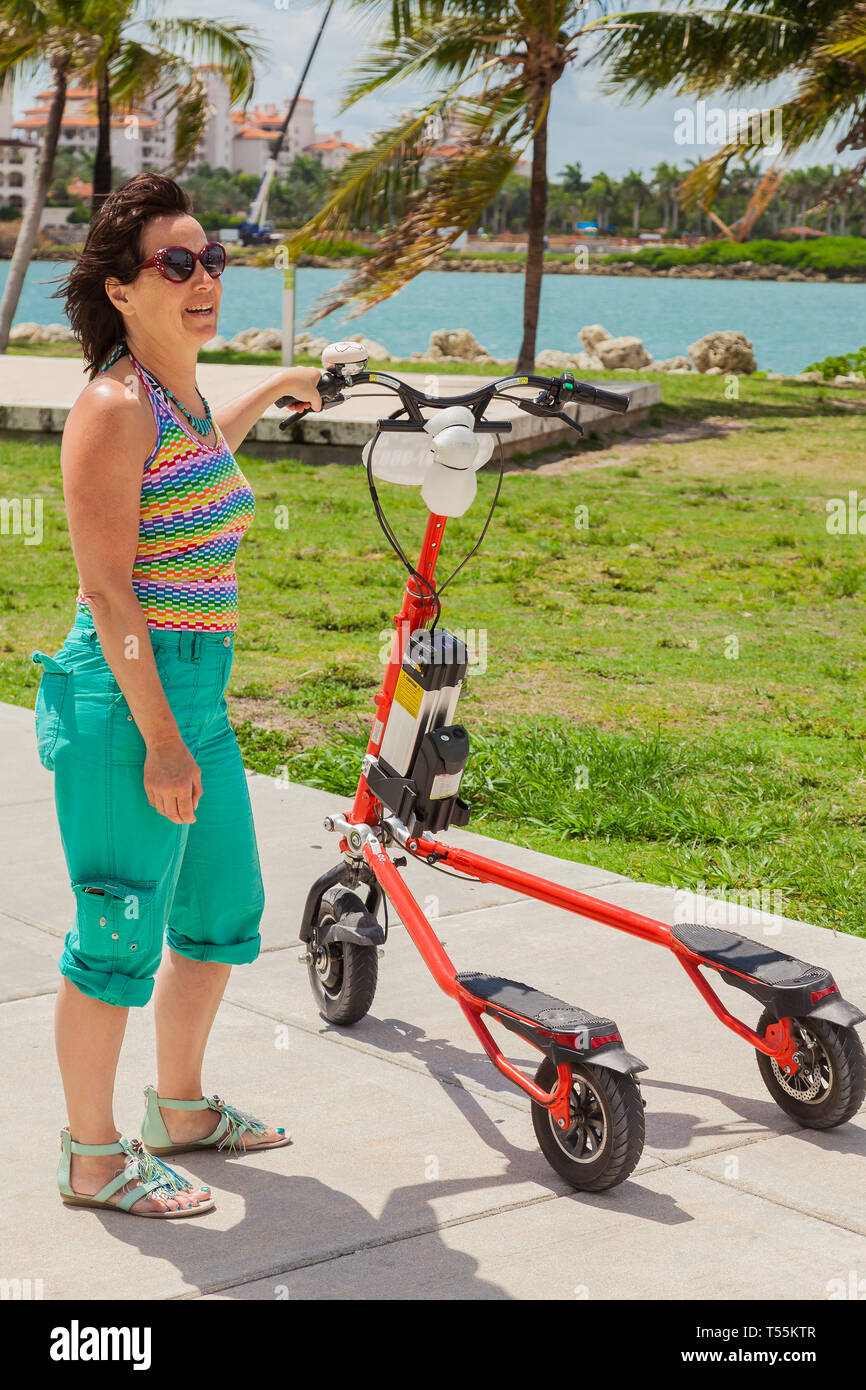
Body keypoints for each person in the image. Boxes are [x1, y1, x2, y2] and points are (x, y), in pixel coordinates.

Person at [32, 171, 322, 1218]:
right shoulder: (113, 406)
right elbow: (109, 588)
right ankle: (92, 1155)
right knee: (115, 935)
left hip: (194, 697)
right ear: (121, 287)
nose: (205, 281)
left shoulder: (182, 391)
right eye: (178, 265)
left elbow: (202, 455)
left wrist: (276, 382)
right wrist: (160, 739)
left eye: (213, 262)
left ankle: (181, 1108)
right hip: (125, 700)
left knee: (219, 913)